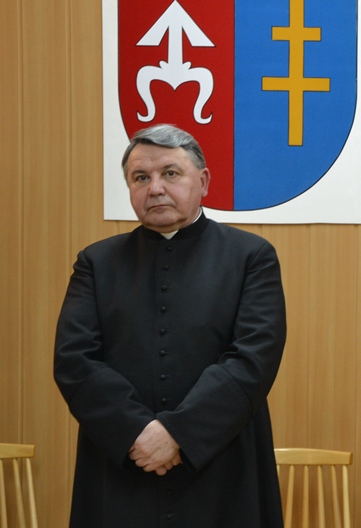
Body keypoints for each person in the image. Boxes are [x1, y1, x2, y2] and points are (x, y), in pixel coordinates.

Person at [54, 124, 286, 527]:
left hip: (221, 467)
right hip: (123, 463)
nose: (155, 188)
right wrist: (136, 433)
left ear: (204, 181)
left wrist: (178, 434)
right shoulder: (96, 263)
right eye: (140, 178)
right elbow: (75, 361)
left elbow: (254, 359)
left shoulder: (251, 257)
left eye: (171, 173)